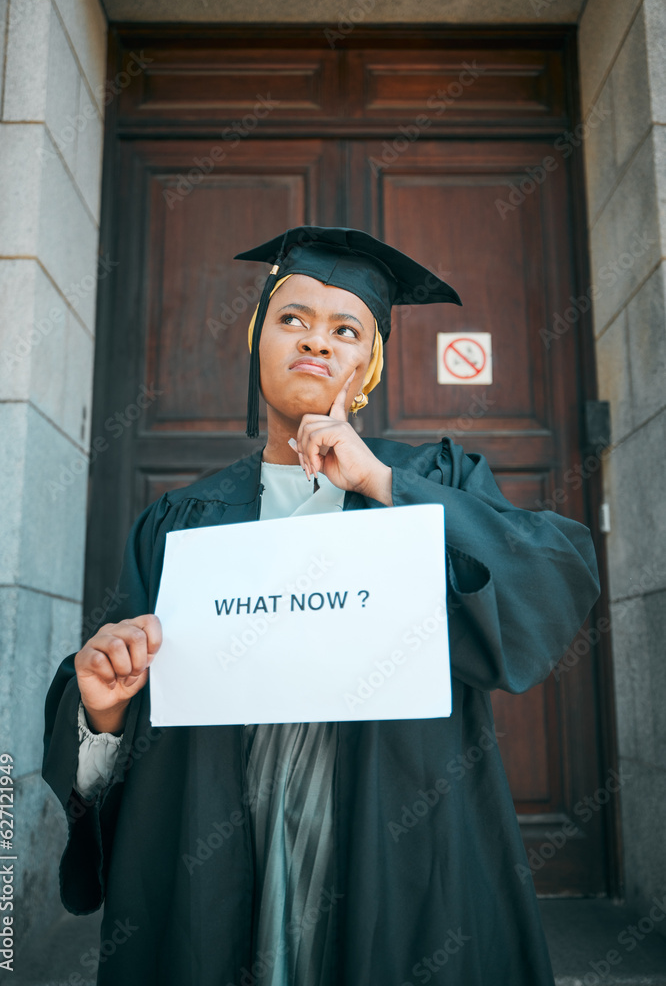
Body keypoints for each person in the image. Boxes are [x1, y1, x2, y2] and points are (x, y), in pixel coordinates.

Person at [43, 226, 601, 986]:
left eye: (346, 330)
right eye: (292, 318)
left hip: (395, 840)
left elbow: (553, 577)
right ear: (257, 339)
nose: (317, 342)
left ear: (367, 366)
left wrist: (383, 484)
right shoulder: (180, 523)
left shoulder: (435, 480)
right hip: (220, 844)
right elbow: (127, 704)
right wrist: (101, 709)